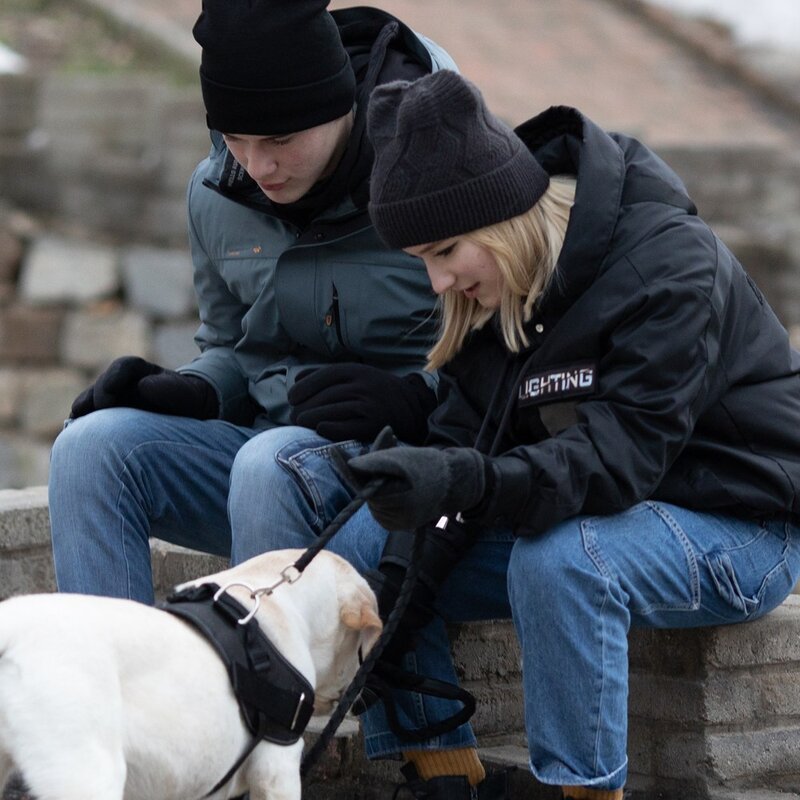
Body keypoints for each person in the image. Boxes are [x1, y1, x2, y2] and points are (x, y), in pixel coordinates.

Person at [242, 69, 800, 799]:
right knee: (374, 551)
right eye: (423, 264)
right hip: (604, 514)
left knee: (563, 559)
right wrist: (404, 578)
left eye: (445, 253)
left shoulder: (668, 266)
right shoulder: (499, 293)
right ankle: (440, 775)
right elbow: (460, 449)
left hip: (738, 524)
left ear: (501, 219)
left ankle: (584, 790)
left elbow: (614, 462)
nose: (438, 283)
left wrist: (470, 484)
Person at [47, 0, 458, 605]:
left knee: (268, 464)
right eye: (236, 138)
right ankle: (110, 689)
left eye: (280, 139)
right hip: (262, 461)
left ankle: (264, 693)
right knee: (87, 447)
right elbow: (234, 349)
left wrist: (416, 399)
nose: (258, 165)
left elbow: (514, 355)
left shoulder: (442, 171)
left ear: (338, 105)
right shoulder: (216, 194)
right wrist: (197, 390)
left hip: (402, 475)